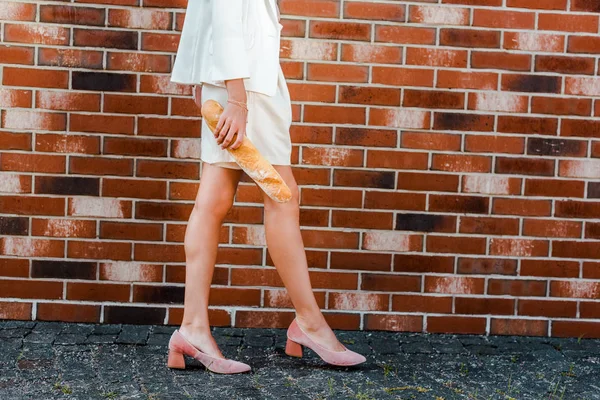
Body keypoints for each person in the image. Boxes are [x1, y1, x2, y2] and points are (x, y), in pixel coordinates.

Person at [166, 0, 366, 374]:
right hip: (246, 91)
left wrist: (203, 79)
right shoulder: (243, 96)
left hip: (237, 83)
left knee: (214, 198)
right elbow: (225, 16)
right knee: (282, 196)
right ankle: (309, 323)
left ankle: (193, 328)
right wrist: (237, 100)